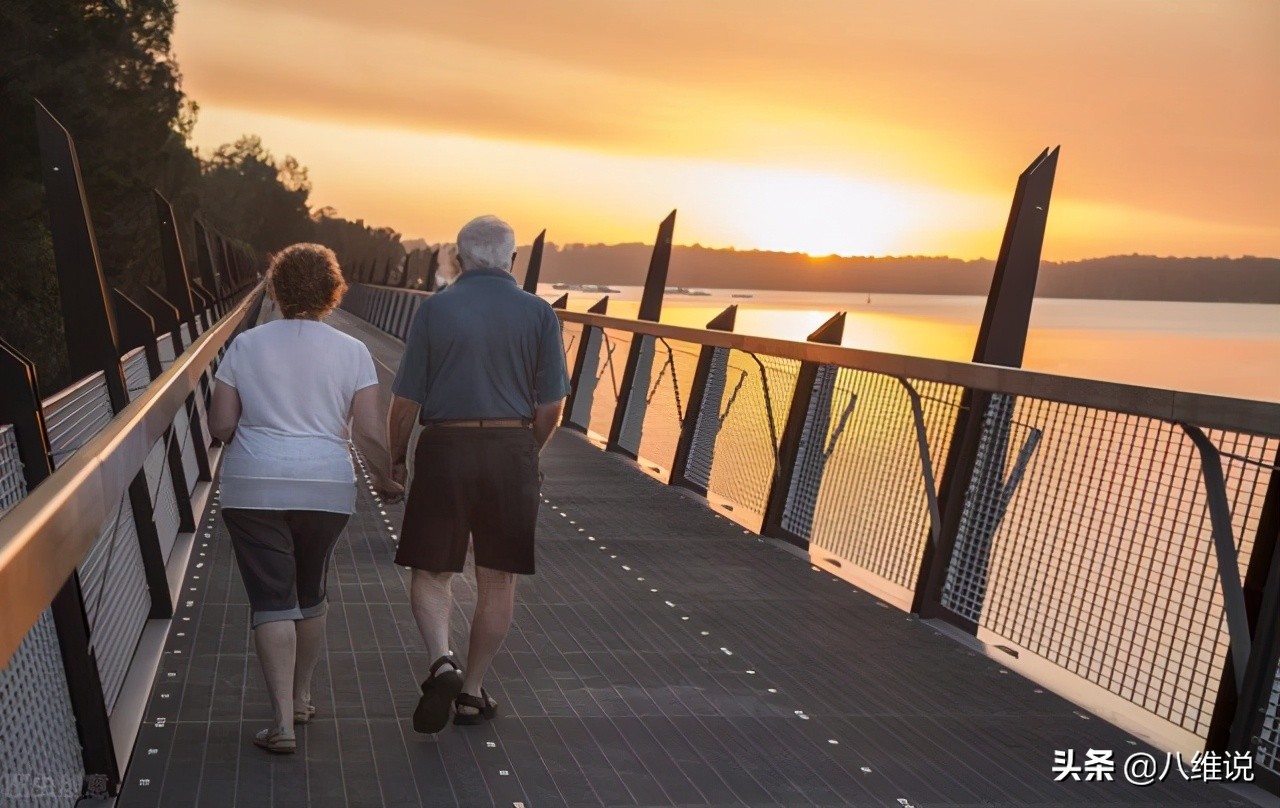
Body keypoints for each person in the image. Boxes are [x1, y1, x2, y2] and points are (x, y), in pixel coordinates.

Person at [208, 243, 402, 754]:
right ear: (333, 291)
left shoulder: (247, 346)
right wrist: (386, 479)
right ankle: (301, 697)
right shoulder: (353, 352)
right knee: (310, 591)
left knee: (273, 601)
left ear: (276, 287)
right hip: (326, 487)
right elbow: (367, 433)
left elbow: (222, 425)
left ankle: (281, 726)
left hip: (254, 486)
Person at [388, 215, 569, 732]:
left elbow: (406, 399)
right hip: (510, 446)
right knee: (498, 577)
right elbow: (552, 402)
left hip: (446, 446)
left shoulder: (435, 310)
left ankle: (442, 662)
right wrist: (525, 449)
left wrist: (397, 458)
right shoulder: (539, 313)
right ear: (512, 260)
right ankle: (471, 693)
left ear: (459, 259)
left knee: (431, 570)